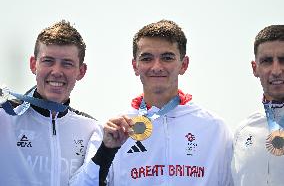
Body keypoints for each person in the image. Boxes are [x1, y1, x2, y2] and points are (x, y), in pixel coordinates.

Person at [70, 19, 233, 186]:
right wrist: (106, 150)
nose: (156, 66)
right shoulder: (114, 130)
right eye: (147, 58)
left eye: (167, 58)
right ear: (135, 66)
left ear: (183, 65)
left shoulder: (215, 128)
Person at [0, 20, 102, 186]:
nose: (56, 72)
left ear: (81, 71)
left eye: (67, 63)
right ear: (34, 65)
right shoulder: (4, 117)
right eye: (48, 61)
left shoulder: (91, 129)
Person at [232, 25, 284, 186]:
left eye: (283, 60)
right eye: (267, 61)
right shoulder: (243, 131)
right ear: (255, 68)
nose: (276, 70)